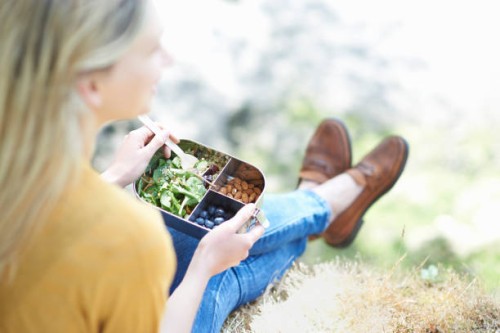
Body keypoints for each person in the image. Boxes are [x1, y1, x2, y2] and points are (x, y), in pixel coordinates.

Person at [0, 1, 408, 332]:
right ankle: (327, 202)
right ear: (90, 83)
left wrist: (113, 178)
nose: (170, 58)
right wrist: (201, 271)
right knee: (216, 268)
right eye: (151, 49)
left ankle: (322, 203)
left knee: (199, 241)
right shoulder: (129, 238)